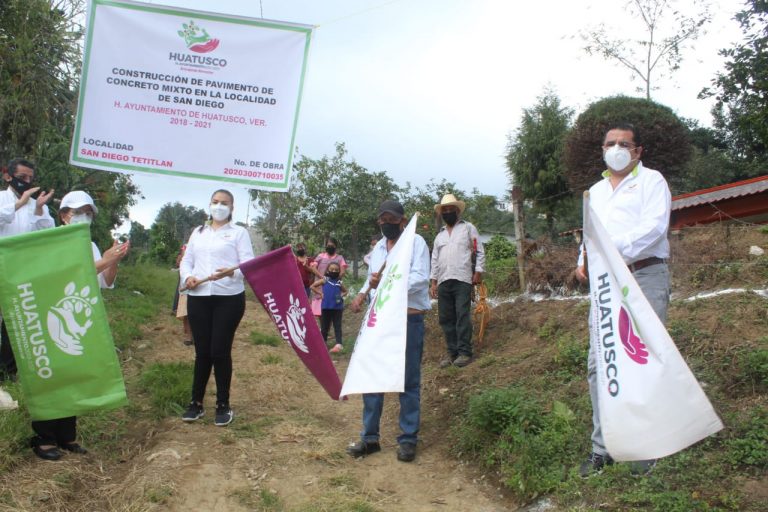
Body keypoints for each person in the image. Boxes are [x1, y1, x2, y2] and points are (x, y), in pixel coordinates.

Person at [575, 123, 671, 477]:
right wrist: (583, 259)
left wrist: (610, 251)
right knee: (600, 361)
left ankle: (645, 446)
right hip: (605, 283)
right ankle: (604, 448)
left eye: (624, 144)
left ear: (638, 151)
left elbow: (654, 228)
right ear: (602, 149)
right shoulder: (595, 192)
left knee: (641, 359)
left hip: (644, 275)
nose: (617, 148)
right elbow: (589, 234)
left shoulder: (651, 181)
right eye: (610, 143)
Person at [30, 190, 129, 461]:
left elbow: (105, 282)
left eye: (88, 212)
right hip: (53, 317)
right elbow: (66, 275)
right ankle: (44, 437)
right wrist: (105, 260)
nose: (84, 217)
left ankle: (66, 435)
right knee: (53, 375)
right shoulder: (52, 240)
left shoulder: (91, 245)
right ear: (64, 215)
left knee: (73, 374)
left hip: (80, 319)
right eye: (79, 212)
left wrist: (113, 261)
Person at [346, 200, 431, 463]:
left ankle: (407, 440)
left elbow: (420, 279)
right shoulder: (379, 249)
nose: (387, 224)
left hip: (408, 320)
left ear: (402, 220)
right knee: (373, 377)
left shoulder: (416, 244)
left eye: (392, 220)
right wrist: (362, 293)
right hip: (380, 321)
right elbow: (372, 277)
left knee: (408, 381)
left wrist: (385, 284)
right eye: (383, 220)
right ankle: (370, 438)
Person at [180, 189, 254, 427]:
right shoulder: (198, 232)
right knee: (202, 352)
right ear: (209, 205)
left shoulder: (239, 233)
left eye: (224, 203)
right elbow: (186, 260)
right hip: (199, 296)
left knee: (219, 351)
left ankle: (223, 404)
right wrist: (189, 276)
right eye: (215, 202)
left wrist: (232, 271)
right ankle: (196, 403)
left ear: (232, 208)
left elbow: (248, 264)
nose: (219, 206)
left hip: (229, 298)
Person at [0, 159, 55, 381]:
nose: (27, 182)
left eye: (30, 178)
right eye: (22, 177)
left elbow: (48, 233)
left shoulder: (37, 204)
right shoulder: (2, 199)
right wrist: (18, 204)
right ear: (8, 176)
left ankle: (7, 373)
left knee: (16, 322)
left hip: (22, 272)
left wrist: (39, 209)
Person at [429, 193, 485, 368]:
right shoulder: (439, 236)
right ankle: (452, 353)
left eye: (450, 209)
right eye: (444, 210)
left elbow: (479, 251)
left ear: (457, 211)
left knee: (462, 315)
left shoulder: (468, 228)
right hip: (444, 280)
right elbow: (434, 260)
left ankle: (464, 352)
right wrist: (433, 282)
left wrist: (478, 271)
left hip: (463, 278)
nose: (447, 212)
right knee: (446, 318)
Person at [310, 261, 347, 353]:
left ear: (339, 271)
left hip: (338, 307)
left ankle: (339, 344)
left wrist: (340, 296)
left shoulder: (339, 282)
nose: (334, 271)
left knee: (337, 325)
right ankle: (323, 343)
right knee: (324, 326)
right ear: (327, 270)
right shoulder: (324, 279)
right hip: (326, 306)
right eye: (332, 269)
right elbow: (312, 286)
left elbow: (345, 291)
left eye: (336, 270)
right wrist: (320, 293)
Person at [310, 238, 347, 316]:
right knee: (320, 313)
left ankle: (328, 327)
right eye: (328, 245)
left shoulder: (340, 258)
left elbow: (343, 271)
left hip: (334, 287)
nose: (330, 247)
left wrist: (335, 279)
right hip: (320, 287)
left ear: (336, 246)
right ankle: (324, 328)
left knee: (333, 312)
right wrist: (322, 277)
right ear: (326, 246)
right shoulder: (321, 256)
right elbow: (313, 268)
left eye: (332, 245)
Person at [172, 245, 193, 346]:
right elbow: (179, 263)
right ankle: (189, 336)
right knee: (186, 314)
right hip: (185, 288)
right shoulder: (185, 247)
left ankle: (196, 335)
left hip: (199, 288)